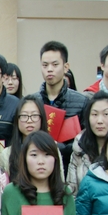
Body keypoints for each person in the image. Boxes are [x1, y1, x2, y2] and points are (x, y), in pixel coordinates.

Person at [37, 41, 88, 171]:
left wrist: (61, 148)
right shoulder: (32, 102)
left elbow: (87, 141)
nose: (49, 69)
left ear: (66, 67)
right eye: (45, 65)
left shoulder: (81, 102)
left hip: (69, 168)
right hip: (38, 168)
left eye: (55, 64)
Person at [3, 95, 50, 180]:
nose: (29, 120)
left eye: (34, 115)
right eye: (24, 116)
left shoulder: (52, 149)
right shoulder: (7, 153)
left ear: (42, 118)